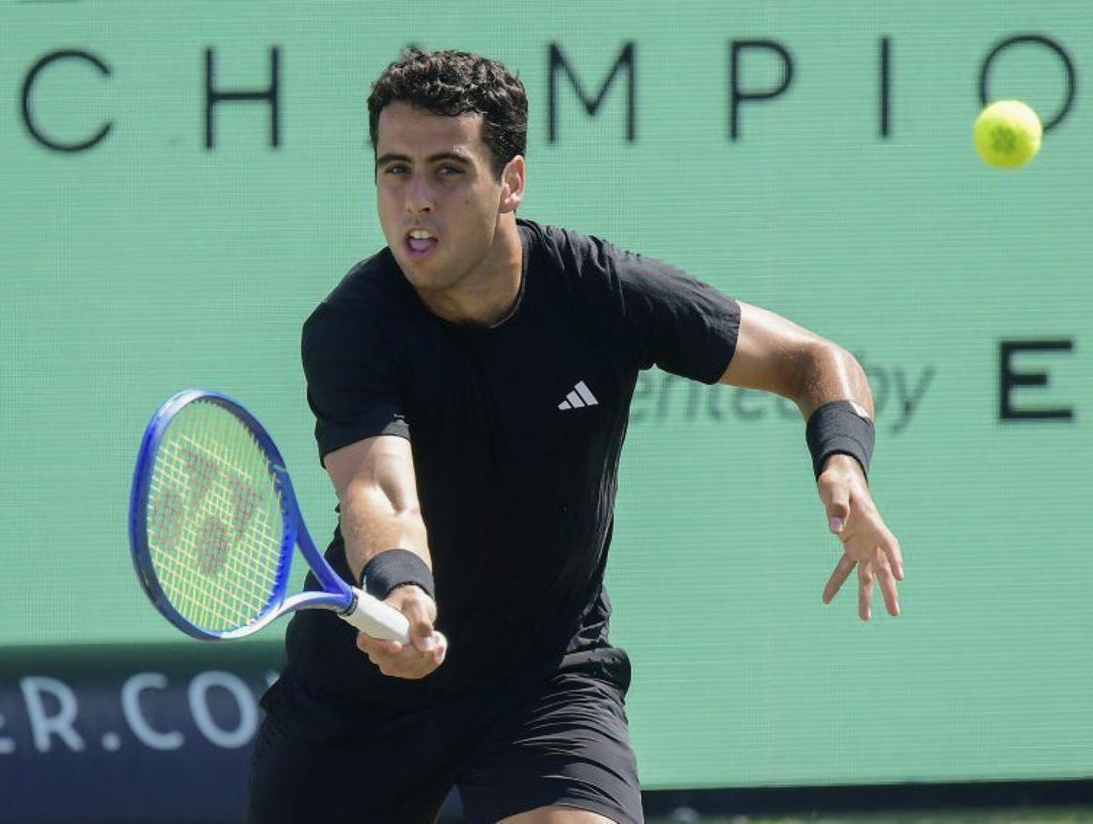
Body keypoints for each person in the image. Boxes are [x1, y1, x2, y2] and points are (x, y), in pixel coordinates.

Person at [247, 48, 904, 824]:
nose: (415, 200)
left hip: (544, 683)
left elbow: (812, 360)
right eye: (395, 170)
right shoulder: (352, 326)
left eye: (448, 171)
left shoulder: (599, 293)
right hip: (359, 701)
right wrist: (405, 592)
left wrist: (843, 462)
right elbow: (380, 489)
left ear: (510, 183)